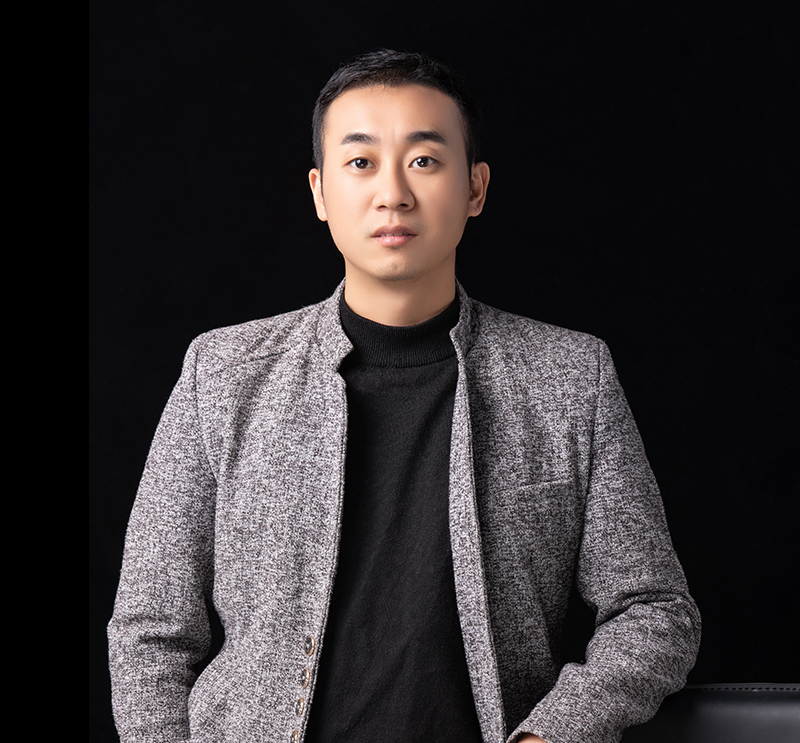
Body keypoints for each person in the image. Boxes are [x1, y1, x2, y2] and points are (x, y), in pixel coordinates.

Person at [108, 50, 701, 743]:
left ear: (475, 187)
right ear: (320, 191)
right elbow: (150, 631)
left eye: (424, 160)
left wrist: (551, 736)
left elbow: (655, 610)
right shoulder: (223, 373)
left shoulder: (570, 377)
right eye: (361, 162)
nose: (393, 193)